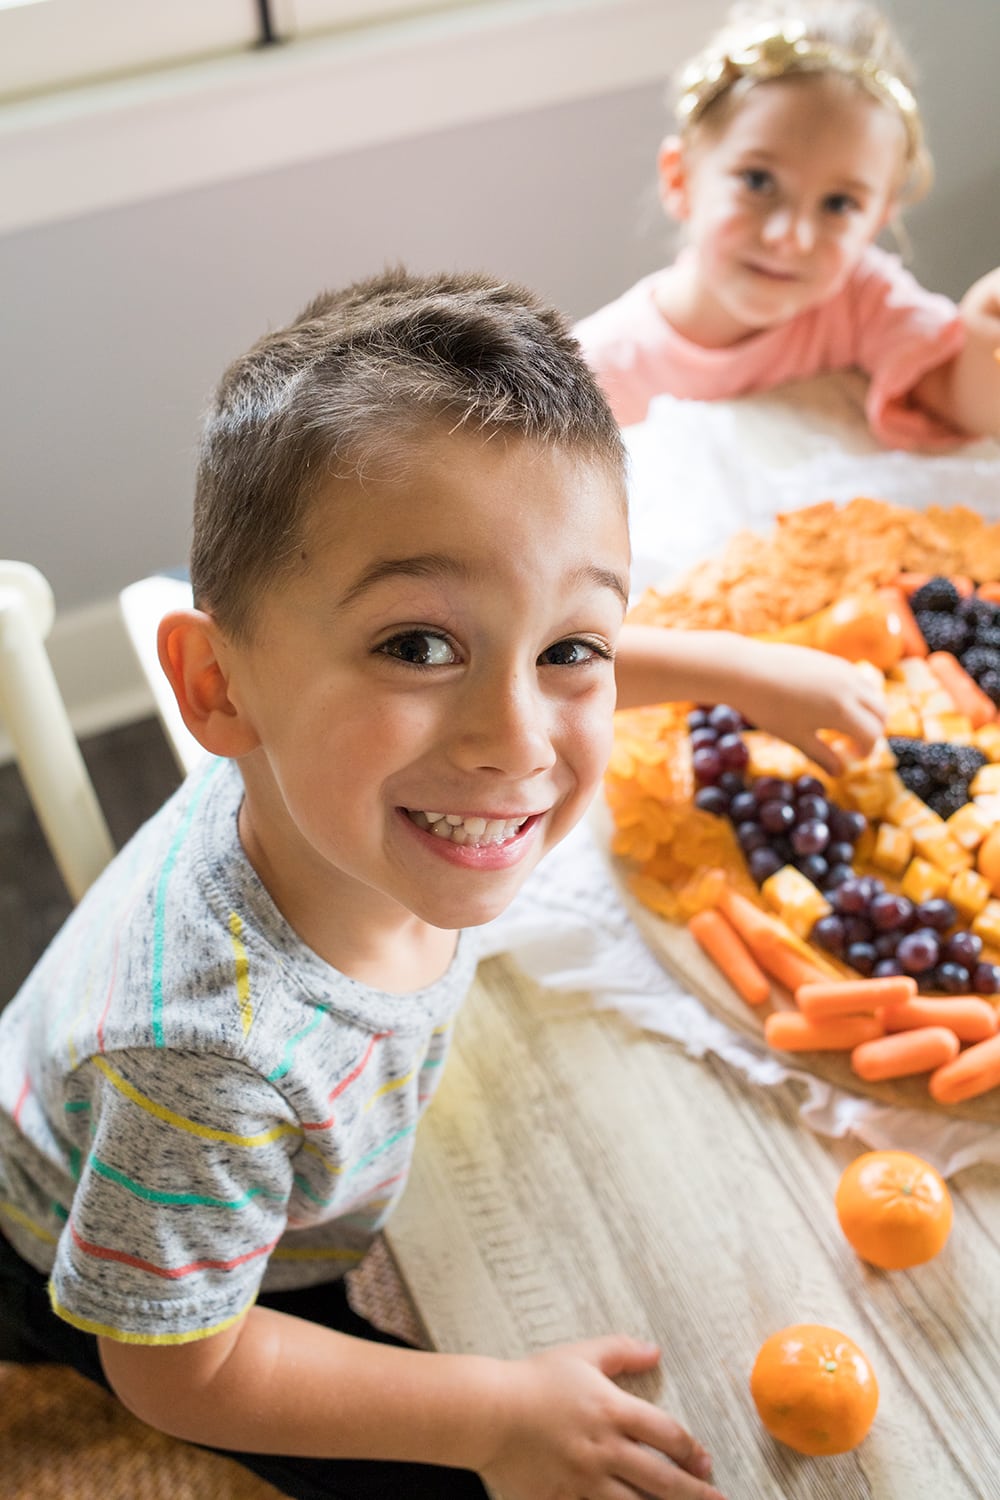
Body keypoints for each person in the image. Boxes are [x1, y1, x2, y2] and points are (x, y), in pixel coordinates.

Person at [0, 267, 878, 1500]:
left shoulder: (325, 787)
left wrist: (748, 670)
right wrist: (495, 1416)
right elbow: (170, 1368)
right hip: (93, 1250)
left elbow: (586, 650)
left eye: (568, 648)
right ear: (218, 690)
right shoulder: (210, 1063)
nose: (516, 741)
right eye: (418, 646)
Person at [574, 0, 1000, 446]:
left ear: (877, 220)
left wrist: (986, 326)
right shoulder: (596, 372)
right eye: (758, 181)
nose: (790, 238)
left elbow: (951, 397)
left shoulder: (861, 302)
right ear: (681, 178)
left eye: (838, 204)